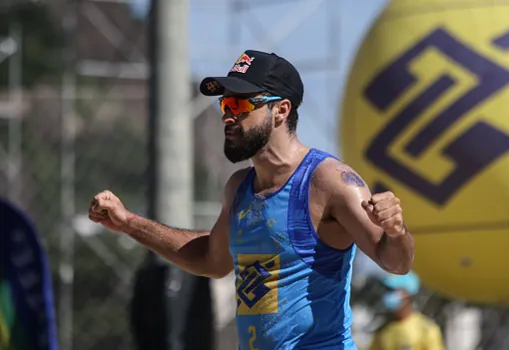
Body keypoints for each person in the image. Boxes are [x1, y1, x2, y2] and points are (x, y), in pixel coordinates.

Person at [88, 50, 415, 350]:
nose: (228, 117)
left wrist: (396, 231)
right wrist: (129, 223)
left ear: (281, 110)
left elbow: (396, 263)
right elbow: (211, 260)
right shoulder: (239, 188)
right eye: (225, 106)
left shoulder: (329, 182)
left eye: (241, 106)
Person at [368, 272, 444, 350]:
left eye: (393, 290)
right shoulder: (382, 332)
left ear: (408, 295)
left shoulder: (426, 329)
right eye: (386, 290)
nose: (387, 294)